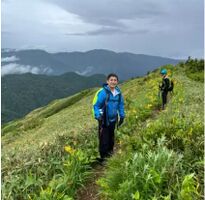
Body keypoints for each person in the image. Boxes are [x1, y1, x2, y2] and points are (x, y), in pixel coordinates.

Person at [93, 73, 125, 163]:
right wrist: (98, 116)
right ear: (107, 81)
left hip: (113, 120)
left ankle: (110, 155)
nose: (113, 82)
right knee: (104, 139)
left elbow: (120, 105)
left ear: (117, 82)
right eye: (111, 80)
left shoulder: (118, 93)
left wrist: (122, 116)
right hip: (104, 120)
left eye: (115, 80)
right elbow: (96, 106)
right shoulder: (104, 92)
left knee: (111, 137)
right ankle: (103, 158)